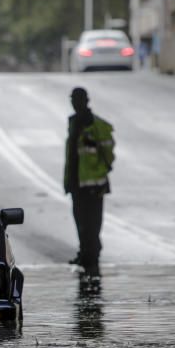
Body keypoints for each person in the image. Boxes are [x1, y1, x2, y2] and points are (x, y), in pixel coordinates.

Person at [64, 87, 114, 272]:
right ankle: (85, 251)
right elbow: (71, 156)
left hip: (94, 185)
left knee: (92, 222)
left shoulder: (97, 125)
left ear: (86, 101)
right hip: (77, 184)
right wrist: (68, 181)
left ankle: (91, 254)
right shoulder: (73, 123)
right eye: (73, 100)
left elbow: (108, 154)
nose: (75, 104)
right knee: (80, 221)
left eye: (78, 100)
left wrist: (101, 172)